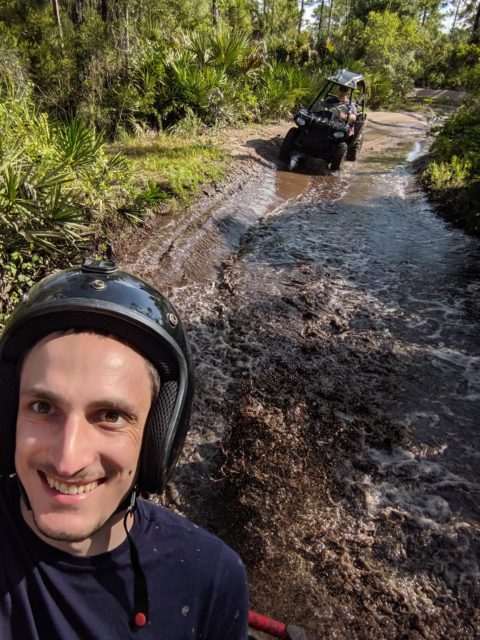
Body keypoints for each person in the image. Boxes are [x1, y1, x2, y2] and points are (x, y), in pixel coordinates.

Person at [0, 259, 249, 639]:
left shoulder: (210, 578)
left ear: (156, 437)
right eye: (43, 407)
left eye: (111, 416)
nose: (68, 460)